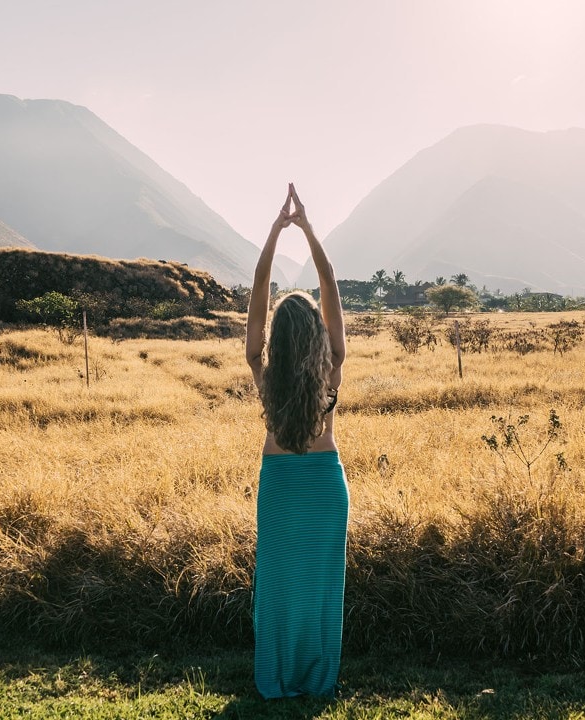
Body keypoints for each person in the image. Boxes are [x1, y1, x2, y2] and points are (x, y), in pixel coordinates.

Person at [246, 183, 348, 699]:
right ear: (313, 333)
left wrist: (273, 233)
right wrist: (307, 229)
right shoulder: (331, 367)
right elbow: (328, 281)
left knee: (281, 587)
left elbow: (258, 297)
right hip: (325, 487)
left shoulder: (263, 372)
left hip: (281, 486)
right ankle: (318, 678)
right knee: (321, 589)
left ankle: (279, 677)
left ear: (278, 340)